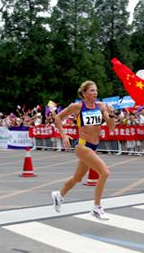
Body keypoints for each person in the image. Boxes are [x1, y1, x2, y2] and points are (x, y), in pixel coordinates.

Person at [51, 80, 115, 220]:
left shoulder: (101, 106)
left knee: (77, 178)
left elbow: (111, 127)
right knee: (104, 172)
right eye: (92, 90)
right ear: (84, 93)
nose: (95, 93)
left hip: (94, 146)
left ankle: (59, 195)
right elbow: (58, 117)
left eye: (96, 90)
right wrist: (63, 134)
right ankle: (97, 208)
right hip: (82, 145)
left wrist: (111, 115)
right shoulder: (77, 107)